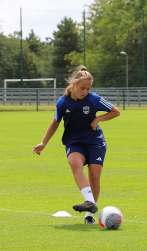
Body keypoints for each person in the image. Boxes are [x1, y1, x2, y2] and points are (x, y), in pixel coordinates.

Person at [33, 66, 120, 225]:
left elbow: (116, 111)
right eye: (82, 88)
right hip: (74, 142)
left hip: (95, 141)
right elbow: (55, 123)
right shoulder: (63, 102)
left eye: (88, 89)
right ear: (73, 84)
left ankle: (89, 214)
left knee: (94, 175)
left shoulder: (93, 99)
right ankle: (90, 202)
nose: (85, 91)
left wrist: (97, 119)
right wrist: (43, 143)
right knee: (74, 164)